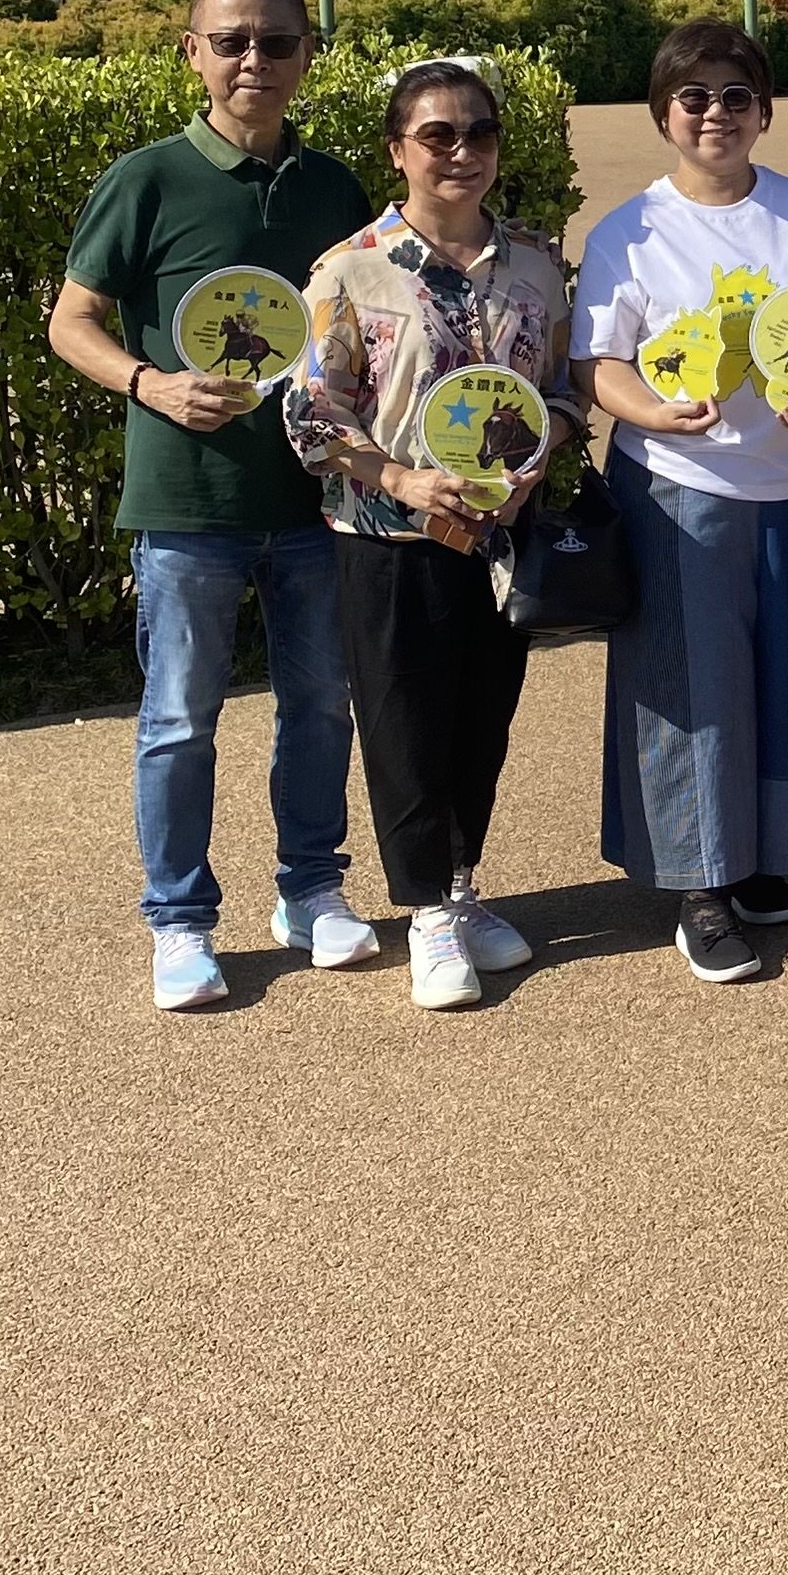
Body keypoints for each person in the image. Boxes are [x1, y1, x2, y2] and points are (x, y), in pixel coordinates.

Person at [47, 0, 379, 1011]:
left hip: (316, 498)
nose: (253, 60)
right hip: (188, 502)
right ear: (192, 52)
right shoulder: (145, 179)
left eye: (276, 41)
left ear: (306, 55)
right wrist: (148, 381)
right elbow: (70, 322)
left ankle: (311, 889)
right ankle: (180, 920)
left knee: (320, 704)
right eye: (231, 40)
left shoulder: (335, 188)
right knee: (179, 719)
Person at [282, 59, 574, 1012]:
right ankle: (426, 913)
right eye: (436, 135)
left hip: (499, 537)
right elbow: (311, 414)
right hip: (391, 539)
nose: (460, 151)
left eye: (478, 132)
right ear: (397, 151)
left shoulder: (533, 264)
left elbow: (563, 392)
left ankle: (461, 882)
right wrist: (402, 478)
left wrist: (539, 450)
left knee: (483, 719)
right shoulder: (349, 268)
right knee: (404, 726)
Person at [576, 20, 788, 985]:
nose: (715, 114)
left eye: (737, 96)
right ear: (663, 113)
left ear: (763, 110)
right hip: (678, 484)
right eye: (692, 97)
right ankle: (700, 882)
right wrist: (652, 410)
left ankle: (766, 856)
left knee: (786, 670)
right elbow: (598, 362)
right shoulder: (628, 231)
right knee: (692, 687)